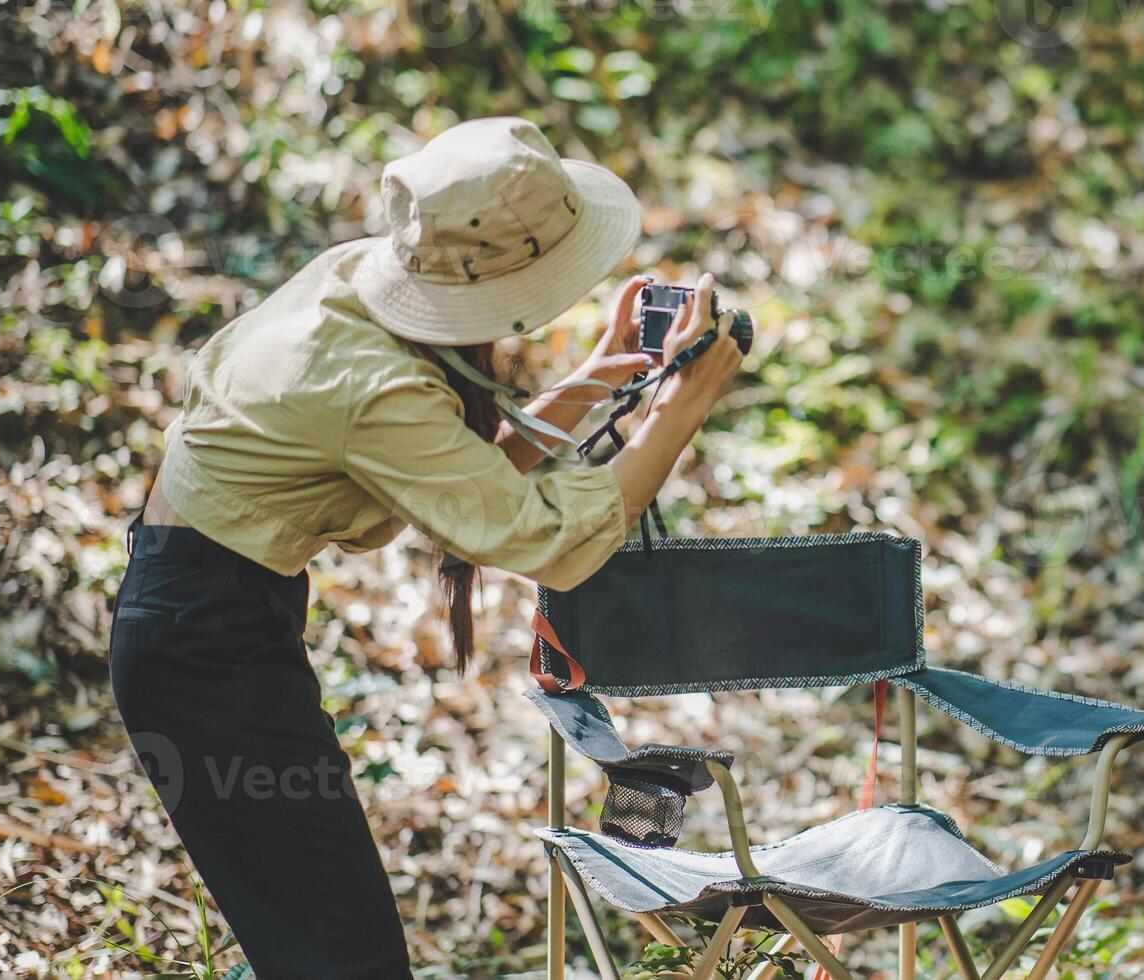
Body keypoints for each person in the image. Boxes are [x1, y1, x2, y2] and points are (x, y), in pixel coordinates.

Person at [109, 117, 746, 978]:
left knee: (319, 945)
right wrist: (680, 408)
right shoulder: (370, 385)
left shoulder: (346, 288)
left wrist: (605, 369)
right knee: (342, 952)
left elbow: (465, 480)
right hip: (202, 646)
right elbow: (551, 541)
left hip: (210, 617)